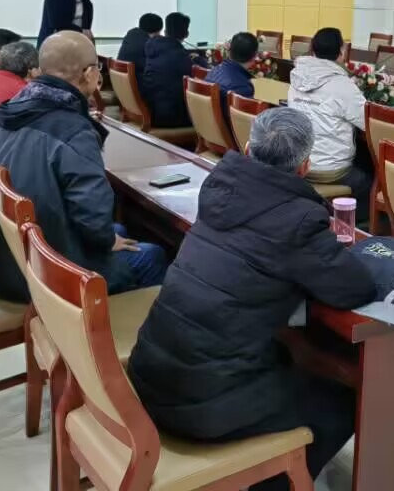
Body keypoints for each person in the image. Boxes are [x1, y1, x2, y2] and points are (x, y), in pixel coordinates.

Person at [127, 107, 375, 491]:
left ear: (247, 149)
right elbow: (354, 288)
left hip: (151, 374)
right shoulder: (300, 219)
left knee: (289, 356)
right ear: (305, 166)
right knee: (341, 403)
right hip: (200, 405)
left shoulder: (217, 187)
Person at [0, 31, 168, 303]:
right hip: (50, 273)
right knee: (152, 255)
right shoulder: (73, 130)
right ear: (89, 74)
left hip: (0, 257)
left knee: (118, 232)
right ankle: (116, 328)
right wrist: (104, 240)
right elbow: (92, 213)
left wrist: (105, 237)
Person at [288, 27, 371, 215]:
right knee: (370, 179)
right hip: (331, 170)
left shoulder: (296, 77)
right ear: (342, 52)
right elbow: (369, 124)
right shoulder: (342, 85)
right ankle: (353, 225)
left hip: (300, 161)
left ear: (312, 49)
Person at [141, 12, 207, 128]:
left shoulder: (152, 46)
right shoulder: (179, 55)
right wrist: (199, 59)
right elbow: (203, 73)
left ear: (165, 31)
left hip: (152, 109)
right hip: (170, 117)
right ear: (186, 34)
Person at [205, 31, 258, 121]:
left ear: (229, 52)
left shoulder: (214, 71)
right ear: (254, 56)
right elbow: (249, 122)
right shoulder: (241, 88)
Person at [116, 13, 163, 78]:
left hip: (121, 80)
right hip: (138, 82)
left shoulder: (131, 34)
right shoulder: (149, 45)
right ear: (157, 31)